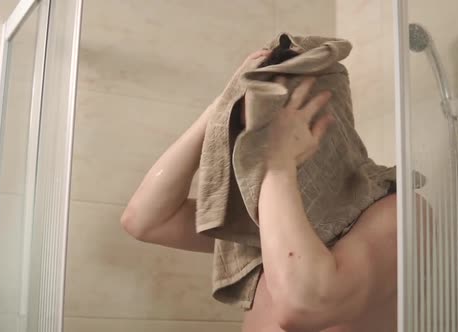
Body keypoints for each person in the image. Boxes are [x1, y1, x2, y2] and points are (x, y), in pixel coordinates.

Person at [120, 48, 398, 332]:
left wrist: (279, 163)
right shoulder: (263, 222)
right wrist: (222, 106)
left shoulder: (395, 211)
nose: (256, 143)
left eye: (274, 127)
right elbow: (145, 221)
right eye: (249, 128)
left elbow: (306, 306)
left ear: (326, 125)